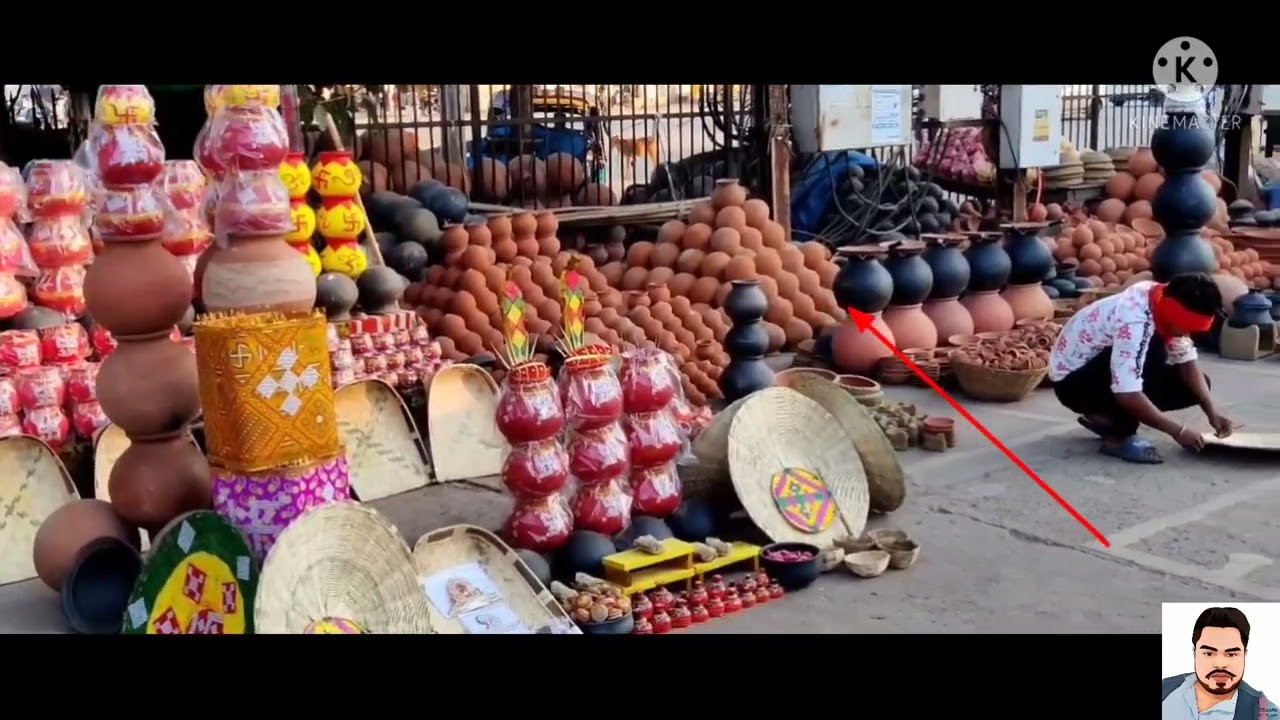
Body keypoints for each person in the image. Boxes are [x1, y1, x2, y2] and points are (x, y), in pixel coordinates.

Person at [1049, 273, 1234, 464]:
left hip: (1104, 372)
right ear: (1175, 316)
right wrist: (1178, 431)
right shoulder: (1134, 321)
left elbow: (1187, 364)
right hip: (1073, 384)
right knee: (1153, 353)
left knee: (1193, 385)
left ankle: (1105, 417)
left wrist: (1212, 412)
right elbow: (1127, 392)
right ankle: (1118, 437)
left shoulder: (1159, 297)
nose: (1187, 334)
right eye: (1186, 328)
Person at [1162, 607, 1272, 720]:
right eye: (1209, 654)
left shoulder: (1264, 713)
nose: (1220, 664)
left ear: (1244, 655)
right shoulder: (1166, 690)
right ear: (1195, 653)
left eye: (1231, 654)